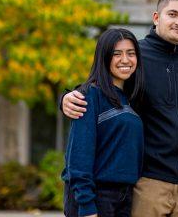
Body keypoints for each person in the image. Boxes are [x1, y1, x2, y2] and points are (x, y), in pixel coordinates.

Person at [61, 0, 178, 217]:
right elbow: (101, 86)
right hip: (148, 182)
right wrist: (68, 97)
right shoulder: (134, 57)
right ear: (156, 17)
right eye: (173, 14)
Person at [62, 28, 145, 217]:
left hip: (124, 196)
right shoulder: (90, 96)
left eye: (131, 53)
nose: (125, 60)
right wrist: (86, 206)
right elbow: (79, 155)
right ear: (104, 57)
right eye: (117, 54)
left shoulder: (130, 99)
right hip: (95, 197)